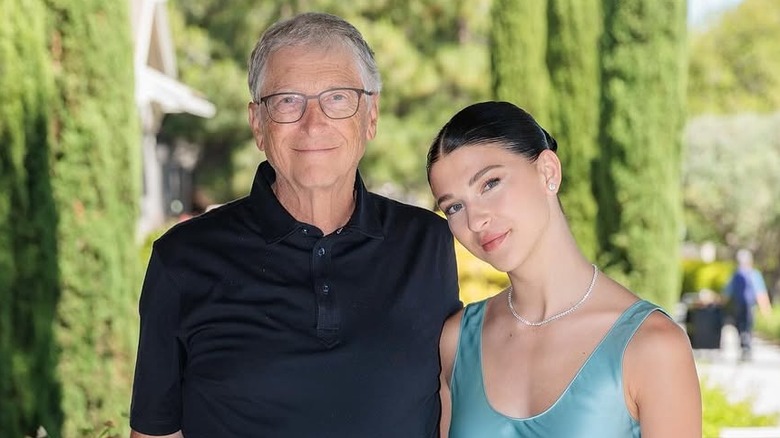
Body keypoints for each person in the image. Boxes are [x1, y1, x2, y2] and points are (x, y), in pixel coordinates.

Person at [129, 12, 461, 438]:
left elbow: (449, 402)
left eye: (337, 98)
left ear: (371, 116)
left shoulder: (427, 242)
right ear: (257, 124)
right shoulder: (183, 259)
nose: (313, 123)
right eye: (288, 101)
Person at [426, 101, 701, 437]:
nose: (475, 220)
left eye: (490, 184)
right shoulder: (457, 341)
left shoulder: (653, 346)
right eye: (454, 207)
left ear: (548, 172)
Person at [724, 248, 772, 361]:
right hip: (749, 306)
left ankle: (743, 346)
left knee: (740, 326)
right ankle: (747, 348)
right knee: (748, 326)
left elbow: (727, 292)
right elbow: (760, 292)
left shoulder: (736, 275)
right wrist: (765, 308)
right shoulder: (754, 274)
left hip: (738, 305)